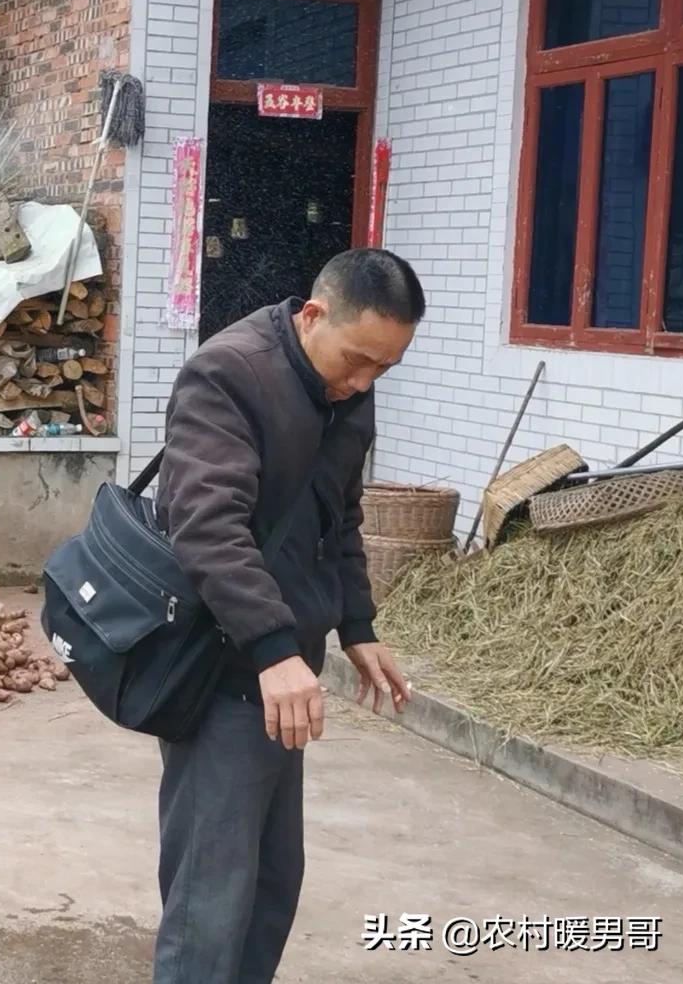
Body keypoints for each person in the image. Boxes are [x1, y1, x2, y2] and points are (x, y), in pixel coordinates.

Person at [152, 248, 423, 984]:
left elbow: (340, 515)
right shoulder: (229, 374)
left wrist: (356, 627)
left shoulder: (345, 389)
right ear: (312, 316)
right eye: (358, 359)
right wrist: (275, 650)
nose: (365, 381)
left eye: (384, 369)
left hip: (282, 680)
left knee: (271, 889)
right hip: (222, 668)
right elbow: (206, 525)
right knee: (209, 906)